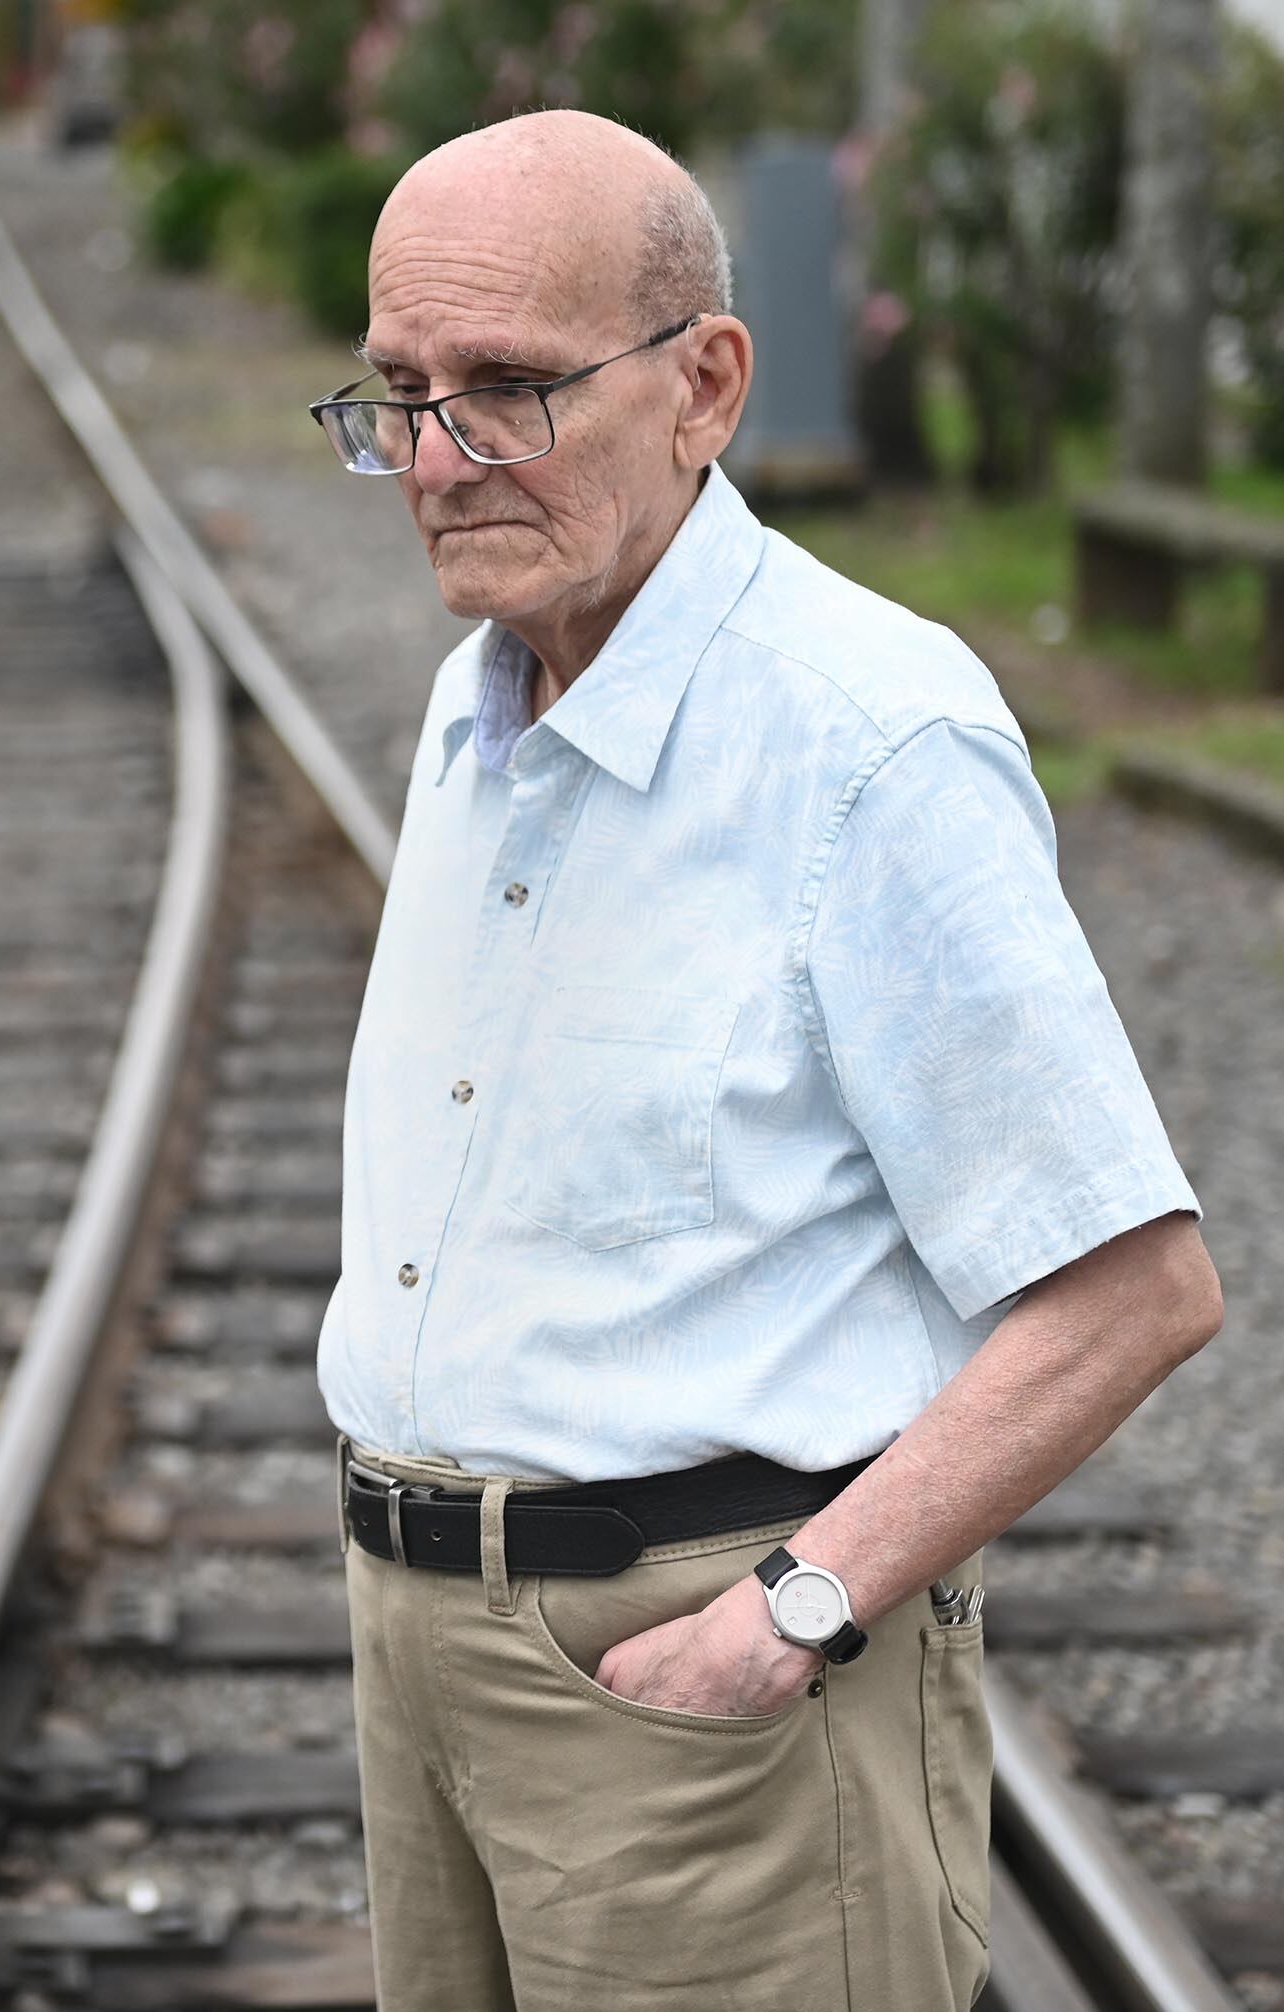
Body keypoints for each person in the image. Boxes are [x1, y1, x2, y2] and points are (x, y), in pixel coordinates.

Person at [307, 109, 1222, 2012]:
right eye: (399, 396)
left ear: (704, 385)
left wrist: (787, 1616)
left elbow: (1131, 1288)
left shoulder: (864, 743)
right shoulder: (476, 706)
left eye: (504, 392)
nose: (433, 461)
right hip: (424, 1663)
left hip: (699, 1686)